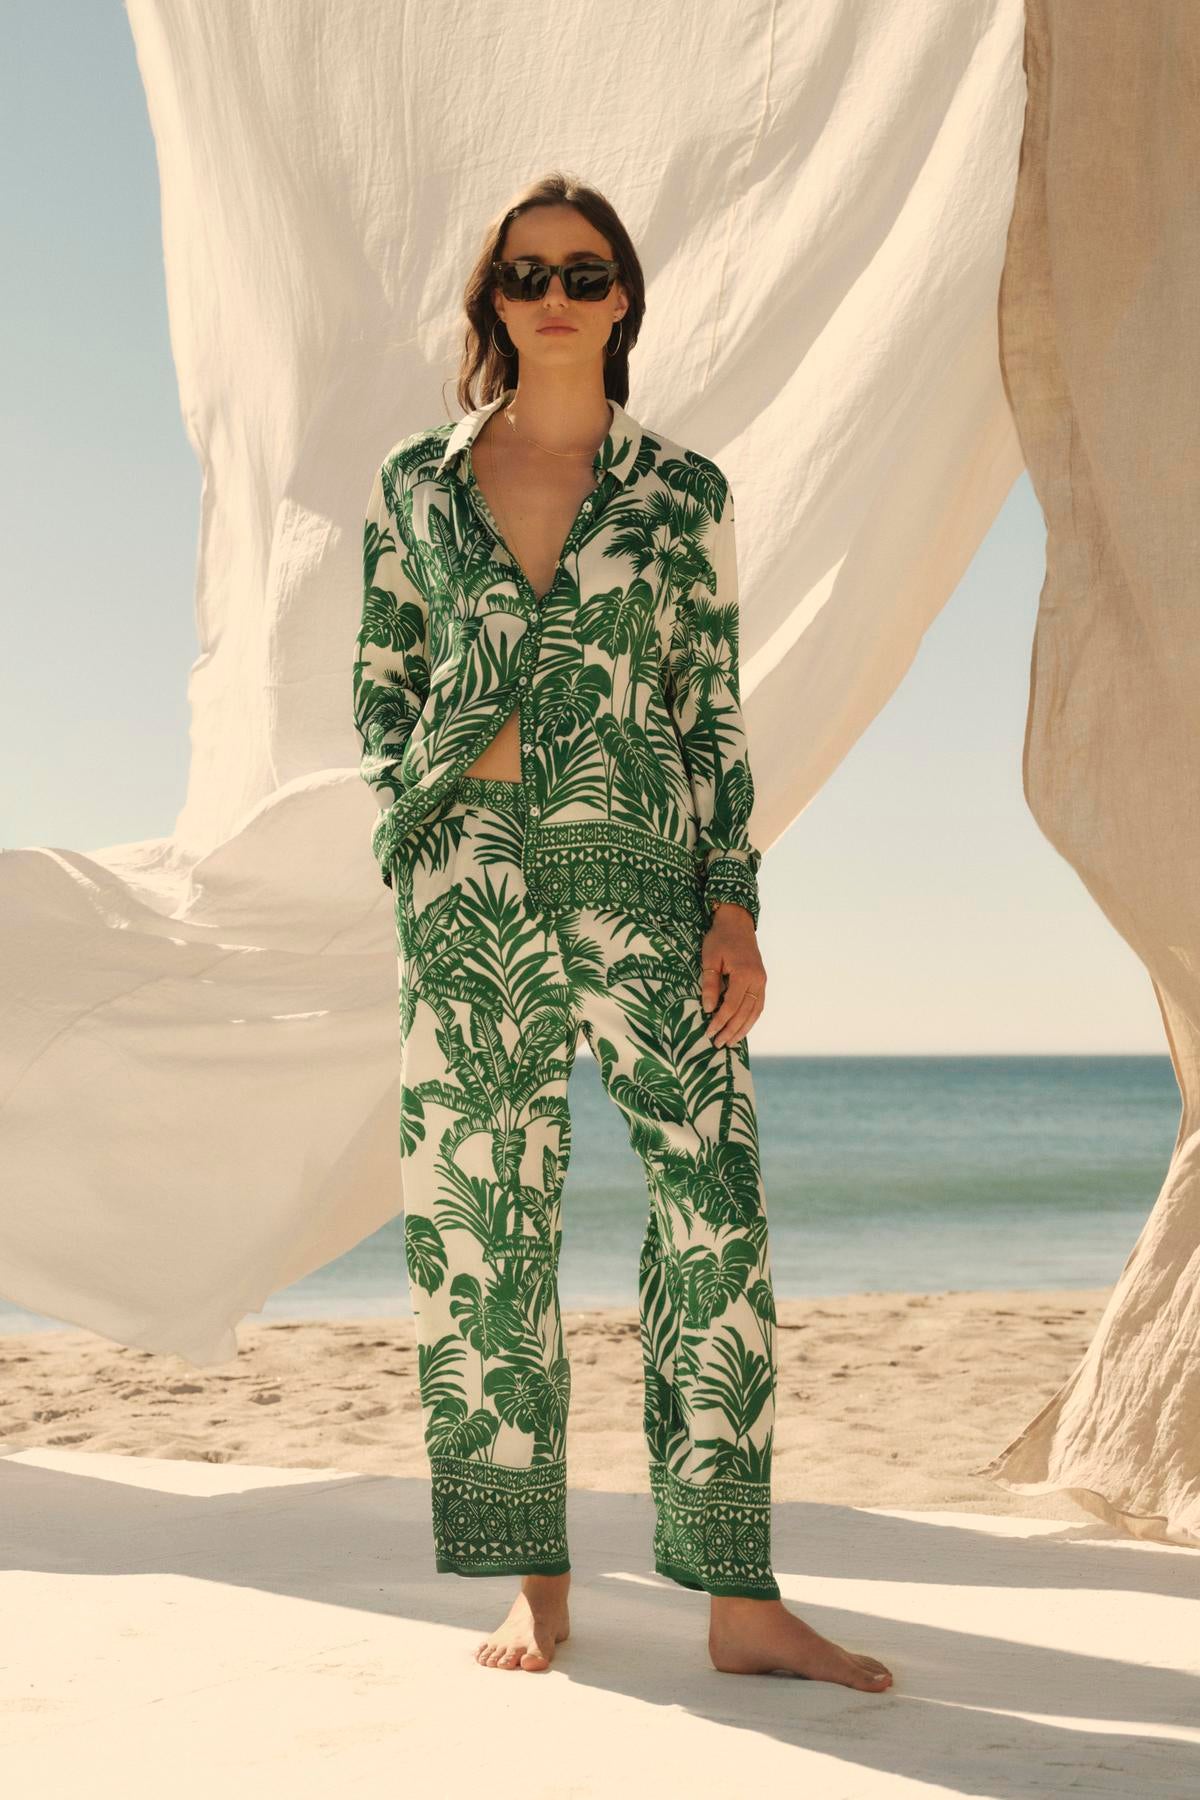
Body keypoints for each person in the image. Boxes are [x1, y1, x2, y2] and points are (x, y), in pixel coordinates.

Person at [353, 171, 893, 1690]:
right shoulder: (417, 483)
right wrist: (414, 826)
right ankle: (539, 1585)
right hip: (470, 879)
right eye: (528, 272)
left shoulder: (684, 494)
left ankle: (739, 1599)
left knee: (710, 1212)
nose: (557, 295)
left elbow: (711, 712)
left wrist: (737, 899)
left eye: (586, 273)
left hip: (646, 873)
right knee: (483, 1233)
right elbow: (380, 680)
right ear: (494, 298)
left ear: (625, 298)